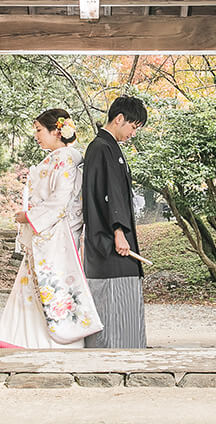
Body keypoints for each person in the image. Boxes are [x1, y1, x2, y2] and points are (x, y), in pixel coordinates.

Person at [0, 108, 102, 348]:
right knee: (38, 282)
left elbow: (60, 200)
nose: (36, 135)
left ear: (57, 131)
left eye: (40, 130)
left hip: (55, 232)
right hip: (48, 230)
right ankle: (22, 338)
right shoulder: (59, 158)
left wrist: (29, 217)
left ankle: (47, 341)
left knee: (52, 283)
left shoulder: (65, 158)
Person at [81, 96, 149, 349]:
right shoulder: (101, 147)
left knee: (121, 291)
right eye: (133, 126)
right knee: (112, 293)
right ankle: (113, 352)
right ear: (119, 118)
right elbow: (108, 194)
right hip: (108, 236)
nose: (133, 133)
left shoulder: (107, 147)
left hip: (110, 234)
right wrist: (118, 231)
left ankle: (126, 348)